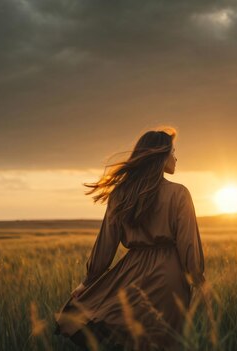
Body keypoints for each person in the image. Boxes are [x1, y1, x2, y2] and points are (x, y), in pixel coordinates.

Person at [54, 126, 209, 350]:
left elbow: (105, 246)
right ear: (160, 155)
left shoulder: (121, 195)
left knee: (130, 337)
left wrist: (87, 283)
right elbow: (188, 245)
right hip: (170, 276)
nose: (176, 157)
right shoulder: (179, 193)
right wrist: (199, 281)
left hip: (132, 272)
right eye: (172, 152)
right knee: (164, 341)